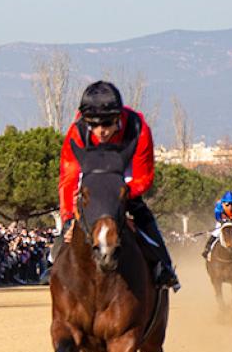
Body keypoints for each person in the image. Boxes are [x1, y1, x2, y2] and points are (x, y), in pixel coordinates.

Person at [56, 79, 180, 291]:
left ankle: (164, 266)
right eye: (93, 124)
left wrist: (119, 201)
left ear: (118, 117)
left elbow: (144, 176)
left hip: (125, 184)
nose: (100, 130)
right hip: (91, 185)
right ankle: (53, 268)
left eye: (106, 123)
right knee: (64, 239)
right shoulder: (77, 131)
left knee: (144, 218)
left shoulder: (138, 128)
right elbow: (68, 178)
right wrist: (69, 218)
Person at [202, 190, 232, 259]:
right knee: (215, 233)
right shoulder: (220, 203)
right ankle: (207, 250)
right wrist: (220, 220)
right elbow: (217, 213)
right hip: (222, 221)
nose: (230, 205)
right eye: (228, 203)